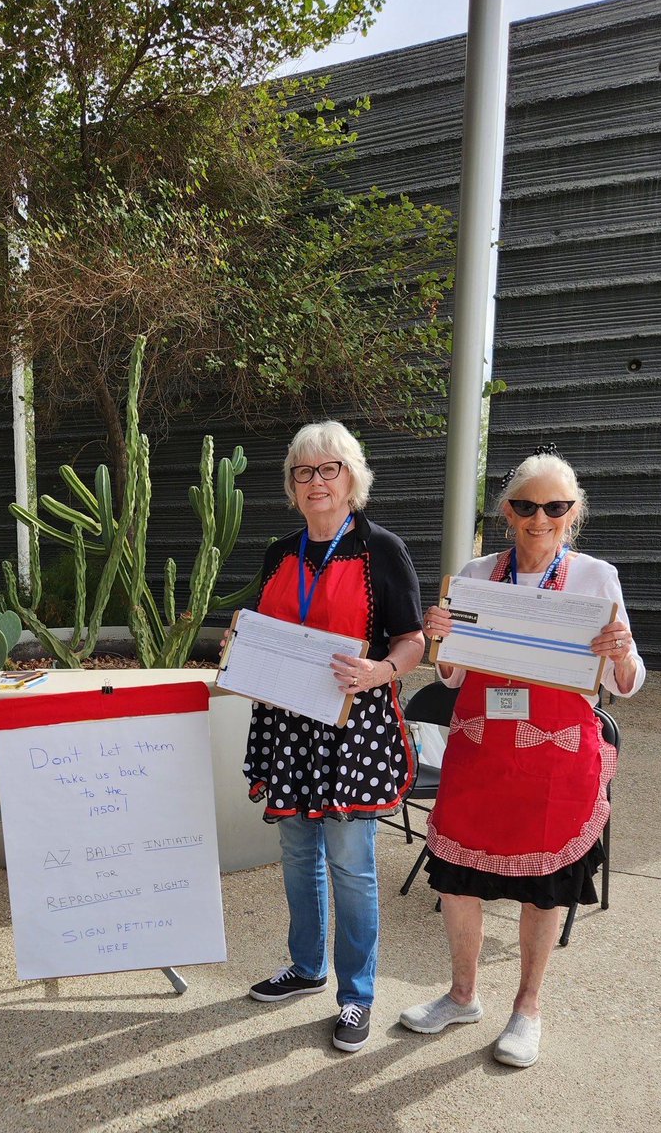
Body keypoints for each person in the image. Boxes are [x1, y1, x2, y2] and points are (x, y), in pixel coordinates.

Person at [399, 446, 644, 1069]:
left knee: (543, 888)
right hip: (482, 749)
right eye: (528, 506)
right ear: (508, 511)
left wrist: (617, 651)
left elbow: (625, 683)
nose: (541, 519)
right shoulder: (478, 573)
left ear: (573, 512)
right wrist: (441, 641)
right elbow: (451, 678)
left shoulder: (596, 577)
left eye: (556, 507)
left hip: (558, 758)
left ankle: (527, 1007)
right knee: (458, 882)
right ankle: (461, 995)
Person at [243, 421, 425, 1053]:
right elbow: (263, 635)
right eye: (304, 472)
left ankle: (357, 996)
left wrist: (382, 671)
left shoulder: (382, 550)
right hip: (290, 726)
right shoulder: (279, 553)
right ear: (293, 486)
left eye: (329, 470)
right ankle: (306, 967)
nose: (316, 482)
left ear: (353, 479)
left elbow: (412, 640)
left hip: (355, 730)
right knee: (297, 855)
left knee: (351, 865)